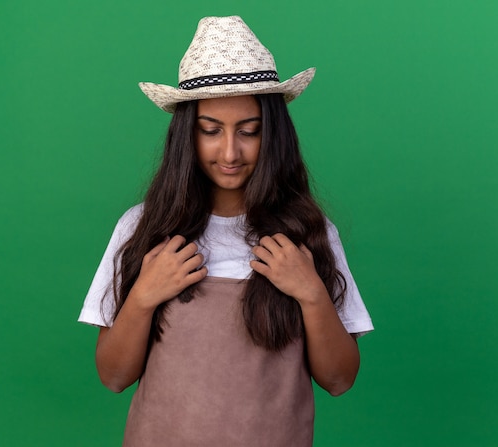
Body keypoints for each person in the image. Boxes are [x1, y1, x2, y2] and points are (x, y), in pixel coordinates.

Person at [78, 15, 373, 446]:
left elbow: (339, 379)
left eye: (249, 131)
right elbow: (114, 376)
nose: (230, 151)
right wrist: (143, 297)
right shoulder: (142, 228)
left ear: (273, 135)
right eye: (210, 131)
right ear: (186, 135)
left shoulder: (309, 233)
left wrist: (311, 292)